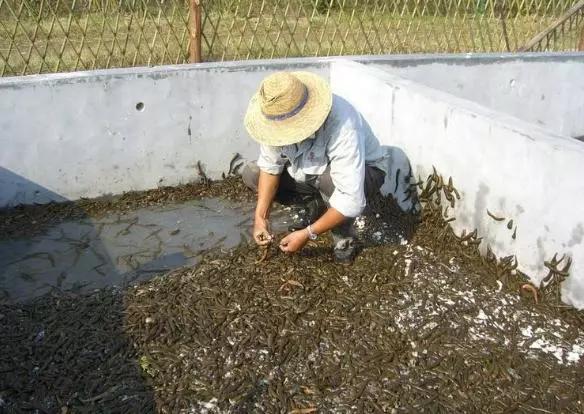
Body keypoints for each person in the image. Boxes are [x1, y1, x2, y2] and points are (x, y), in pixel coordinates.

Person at [242, 71, 389, 263]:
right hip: (309, 171)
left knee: (330, 182)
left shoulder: (342, 122)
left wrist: (309, 234)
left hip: (365, 172)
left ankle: (344, 237)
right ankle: (315, 206)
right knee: (252, 173)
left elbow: (351, 199)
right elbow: (270, 167)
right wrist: (260, 217)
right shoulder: (275, 117)